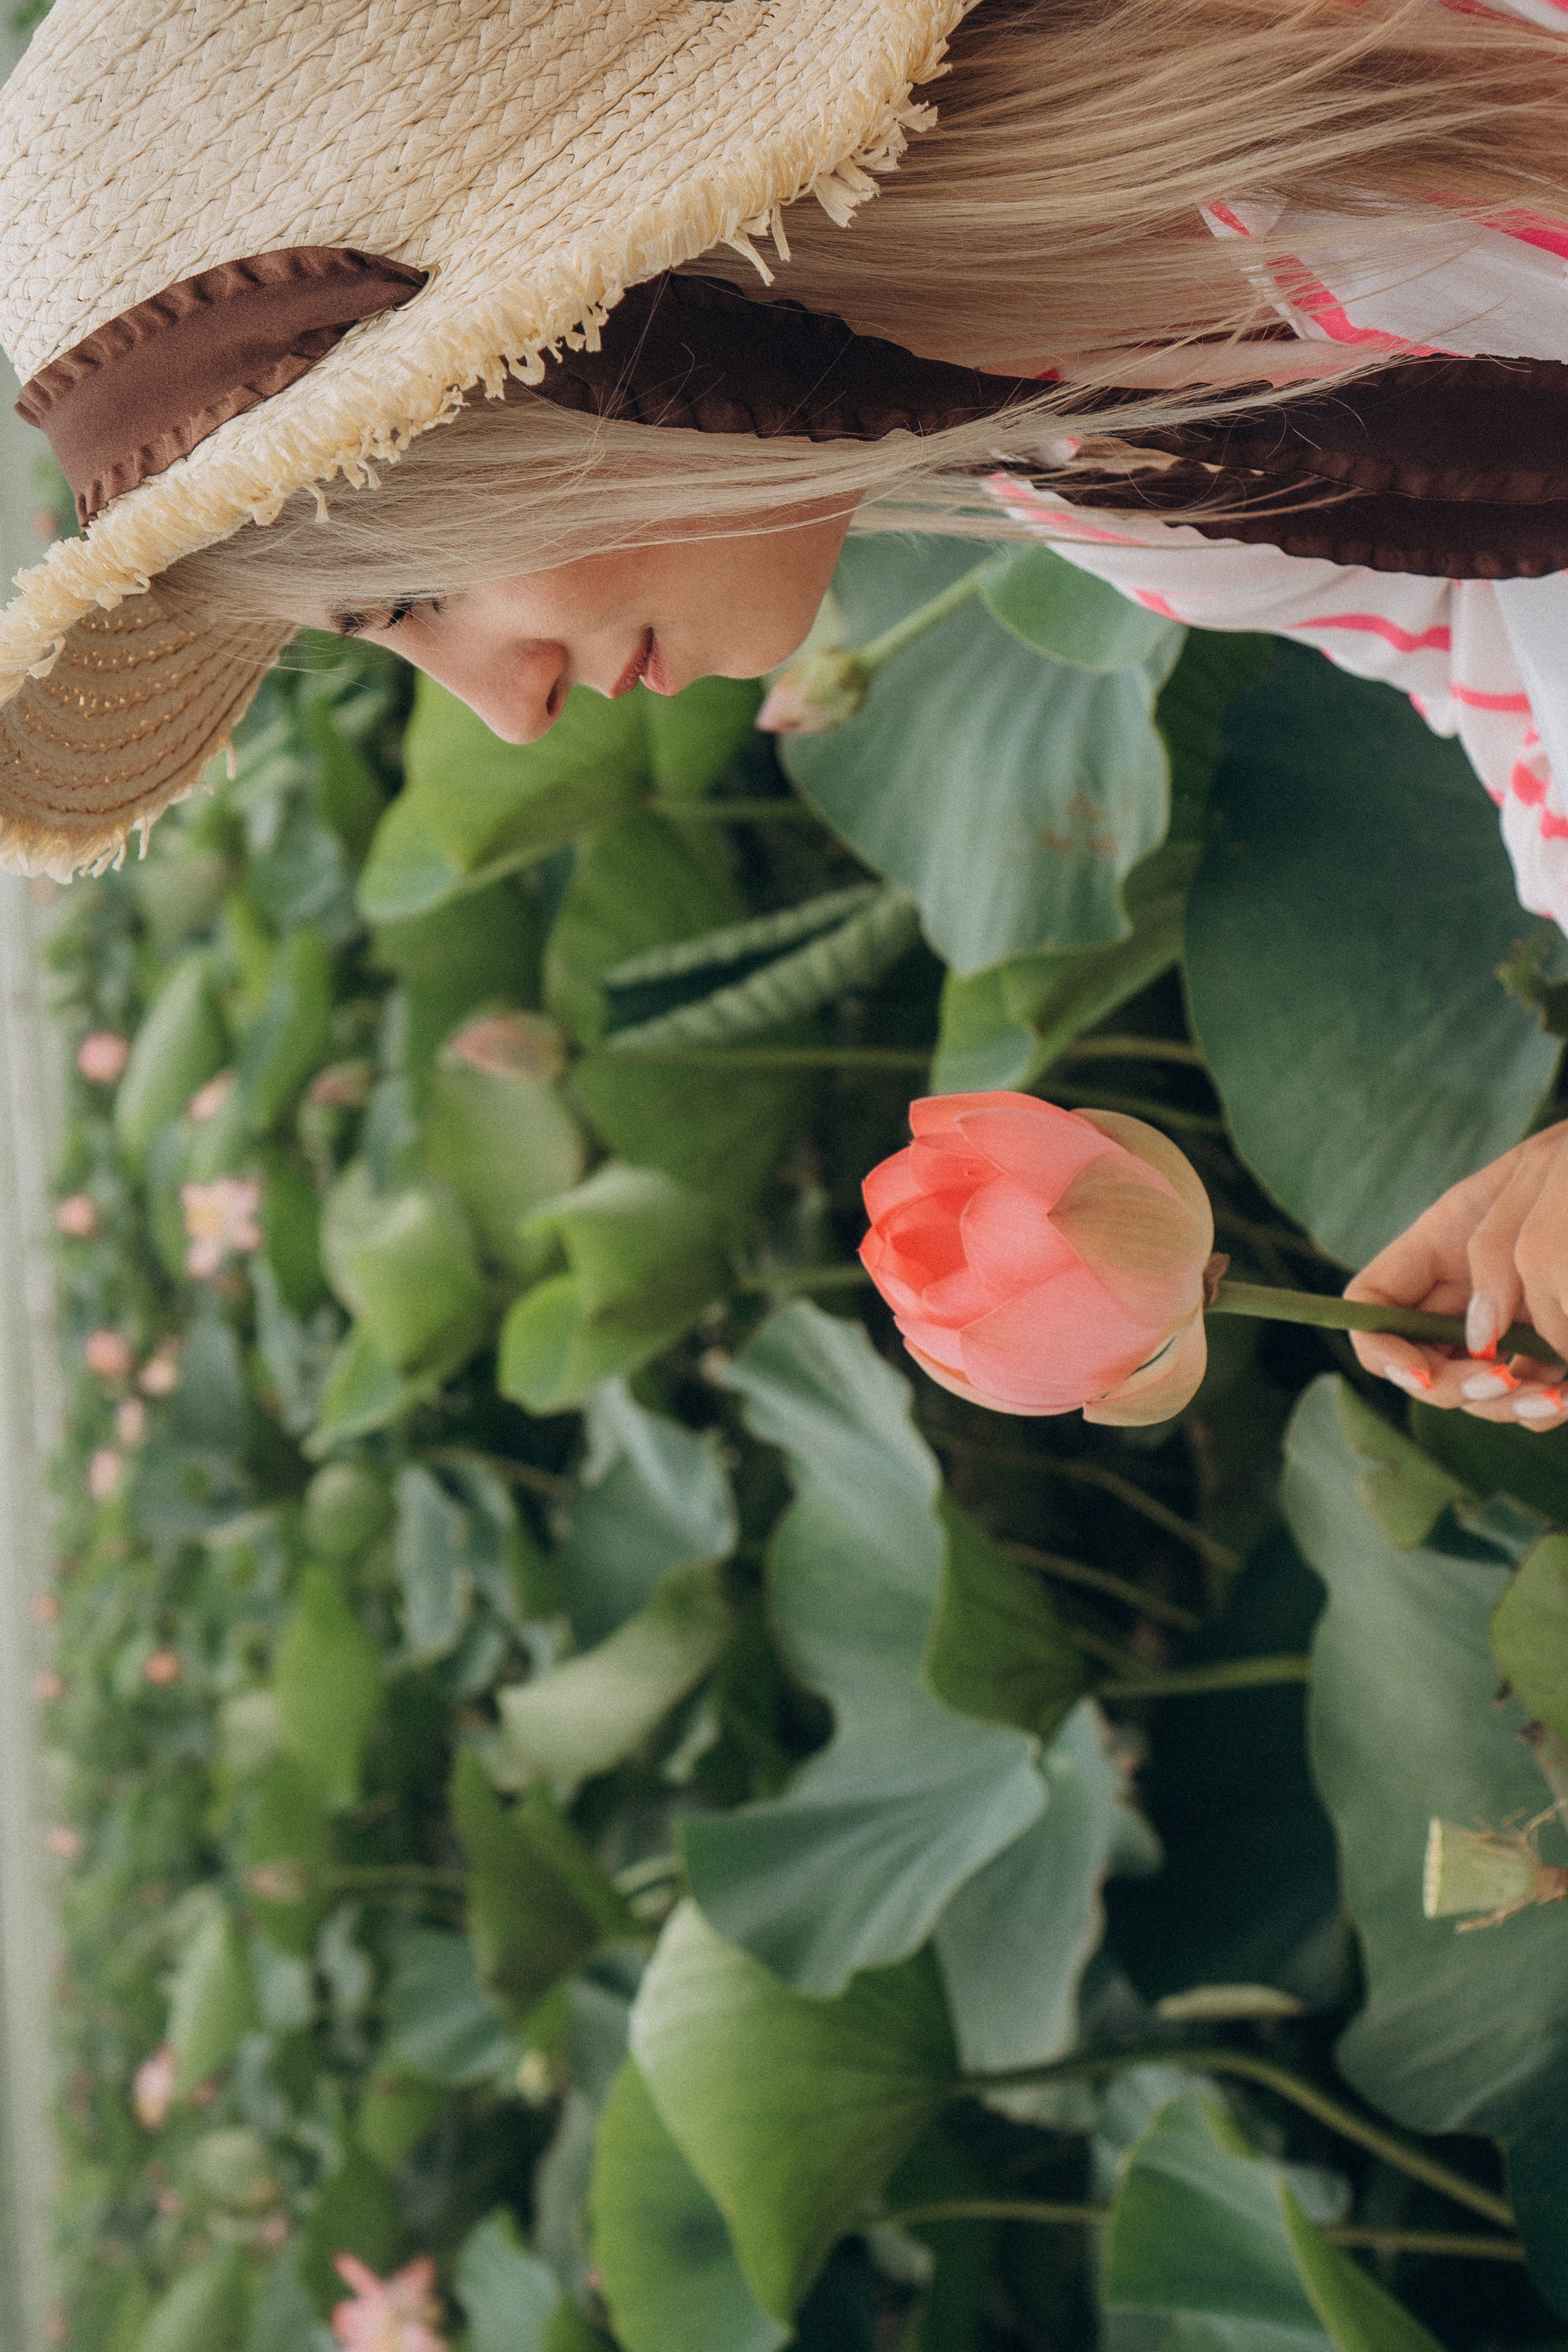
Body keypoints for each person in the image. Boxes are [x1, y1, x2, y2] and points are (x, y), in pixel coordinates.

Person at [3, 0, 1568, 1423]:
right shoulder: (1100, 473)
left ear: (595, 338)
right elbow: (1473, 634)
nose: (508, 718)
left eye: (408, 599)